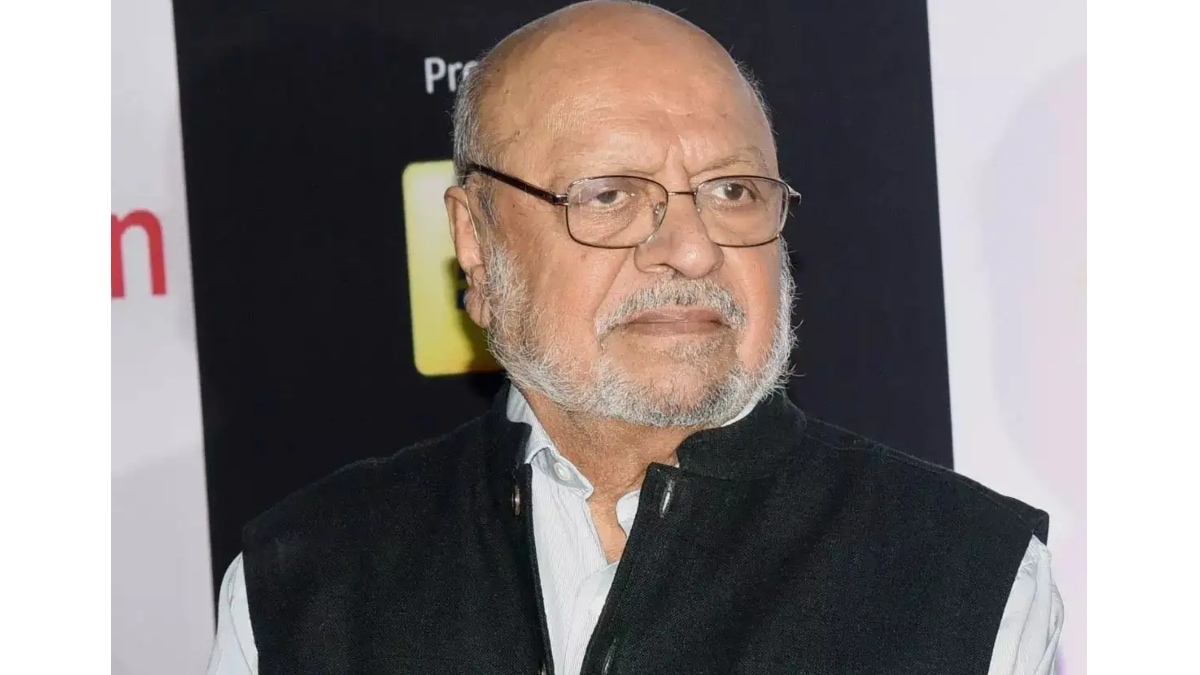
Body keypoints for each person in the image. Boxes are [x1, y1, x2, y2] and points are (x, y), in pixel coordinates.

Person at [207, 2, 1063, 673]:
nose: (691, 248)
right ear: (476, 239)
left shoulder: (966, 573)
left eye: (732, 191)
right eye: (610, 195)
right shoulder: (306, 583)